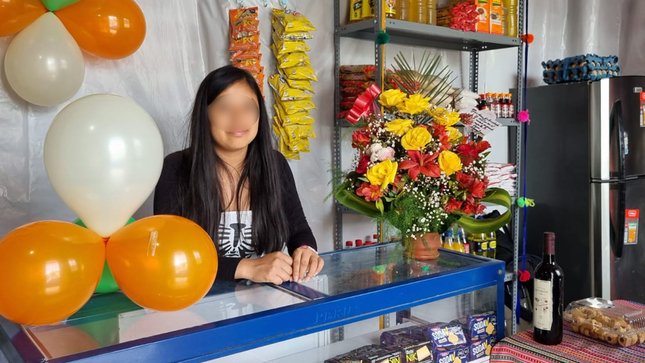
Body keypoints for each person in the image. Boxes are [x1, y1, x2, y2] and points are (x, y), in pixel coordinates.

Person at [153, 65, 323, 285]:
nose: (238, 117)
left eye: (247, 107)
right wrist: (246, 268)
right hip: (197, 303)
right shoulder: (176, 167)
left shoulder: (275, 164)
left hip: (263, 303)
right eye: (224, 108)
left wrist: (305, 250)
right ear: (205, 114)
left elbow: (298, 229)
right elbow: (170, 252)